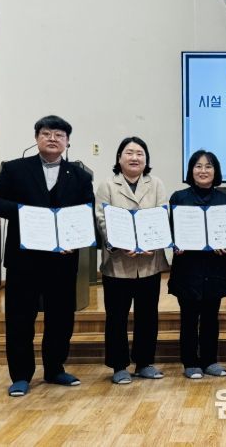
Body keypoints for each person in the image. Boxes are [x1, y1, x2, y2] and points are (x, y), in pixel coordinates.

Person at [0, 115, 94, 397]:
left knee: (61, 318)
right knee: (20, 318)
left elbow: (86, 213)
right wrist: (23, 212)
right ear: (36, 138)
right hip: (25, 260)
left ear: (67, 141)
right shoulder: (15, 169)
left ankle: (55, 368)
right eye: (46, 133)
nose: (53, 139)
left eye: (59, 135)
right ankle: (21, 375)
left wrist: (75, 240)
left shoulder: (80, 175)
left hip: (63, 259)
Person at [95, 137, 169, 385]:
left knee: (148, 315)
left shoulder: (155, 184)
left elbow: (163, 215)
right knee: (116, 317)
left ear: (146, 159)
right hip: (118, 262)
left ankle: (144, 363)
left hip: (149, 261)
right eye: (129, 153)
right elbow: (102, 219)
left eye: (140, 153)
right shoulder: (107, 185)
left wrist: (152, 242)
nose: (134, 157)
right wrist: (119, 243)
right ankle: (119, 365)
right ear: (119, 158)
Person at [168, 150, 226, 379]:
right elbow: (171, 231)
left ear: (215, 171)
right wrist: (176, 243)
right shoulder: (179, 198)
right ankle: (190, 363)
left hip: (214, 268)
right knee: (188, 318)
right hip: (188, 268)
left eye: (208, 166)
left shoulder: (224, 200)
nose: (203, 170)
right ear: (191, 170)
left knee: (210, 318)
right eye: (198, 166)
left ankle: (210, 361)